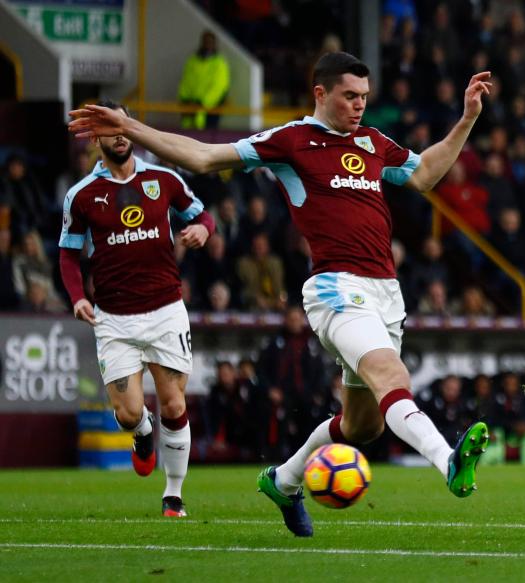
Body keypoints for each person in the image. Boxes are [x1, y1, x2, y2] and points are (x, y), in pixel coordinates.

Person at [69, 51, 493, 538]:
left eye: (364, 98)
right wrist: (132, 127)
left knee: (363, 428)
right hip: (336, 288)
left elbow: (423, 175)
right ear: (321, 93)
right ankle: (449, 461)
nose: (359, 106)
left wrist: (465, 120)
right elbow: (204, 156)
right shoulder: (292, 141)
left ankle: (284, 480)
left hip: (385, 294)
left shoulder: (373, 142)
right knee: (390, 373)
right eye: (349, 96)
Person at [59, 100, 215, 518]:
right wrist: (77, 296)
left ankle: (174, 496)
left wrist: (201, 228)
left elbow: (204, 217)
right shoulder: (81, 196)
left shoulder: (164, 179)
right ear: (96, 137)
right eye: (111, 128)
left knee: (175, 404)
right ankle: (142, 432)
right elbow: (68, 255)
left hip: (165, 309)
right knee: (128, 414)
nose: (121, 133)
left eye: (125, 124)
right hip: (114, 318)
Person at [178, 30, 230, 130]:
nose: (208, 44)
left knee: (207, 142)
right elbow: (185, 82)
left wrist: (202, 103)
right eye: (206, 41)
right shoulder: (192, 60)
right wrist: (185, 100)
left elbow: (219, 87)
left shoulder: (219, 63)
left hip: (210, 110)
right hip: (190, 108)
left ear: (214, 44)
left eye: (210, 42)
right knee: (186, 139)